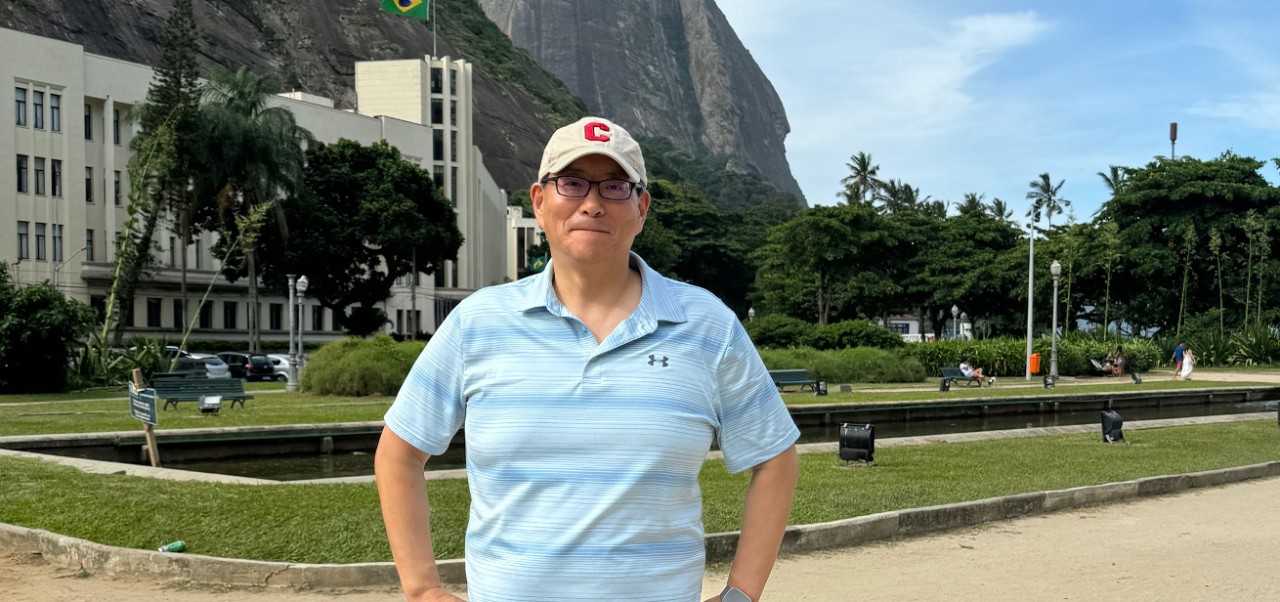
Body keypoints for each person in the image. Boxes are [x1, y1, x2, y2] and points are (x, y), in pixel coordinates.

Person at [375, 116, 801, 602]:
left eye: (615, 187)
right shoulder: (478, 323)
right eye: (572, 183)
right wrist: (423, 588)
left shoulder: (707, 324)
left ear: (641, 208)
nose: (593, 204)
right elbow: (398, 453)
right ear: (539, 200)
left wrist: (740, 595)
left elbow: (775, 458)